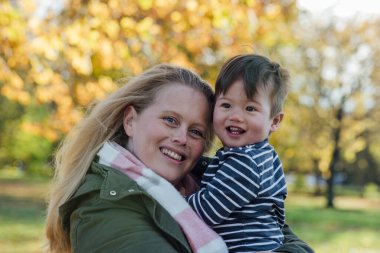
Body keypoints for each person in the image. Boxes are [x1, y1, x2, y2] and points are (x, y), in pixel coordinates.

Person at [45, 63, 313, 253]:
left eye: (196, 131)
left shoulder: (204, 179)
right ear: (130, 121)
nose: (182, 138)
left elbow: (279, 231)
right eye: (170, 120)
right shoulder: (104, 204)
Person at [186, 54, 290, 252]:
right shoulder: (261, 155)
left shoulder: (246, 162)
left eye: (250, 108)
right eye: (226, 105)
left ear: (274, 121)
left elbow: (205, 212)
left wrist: (172, 197)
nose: (235, 116)